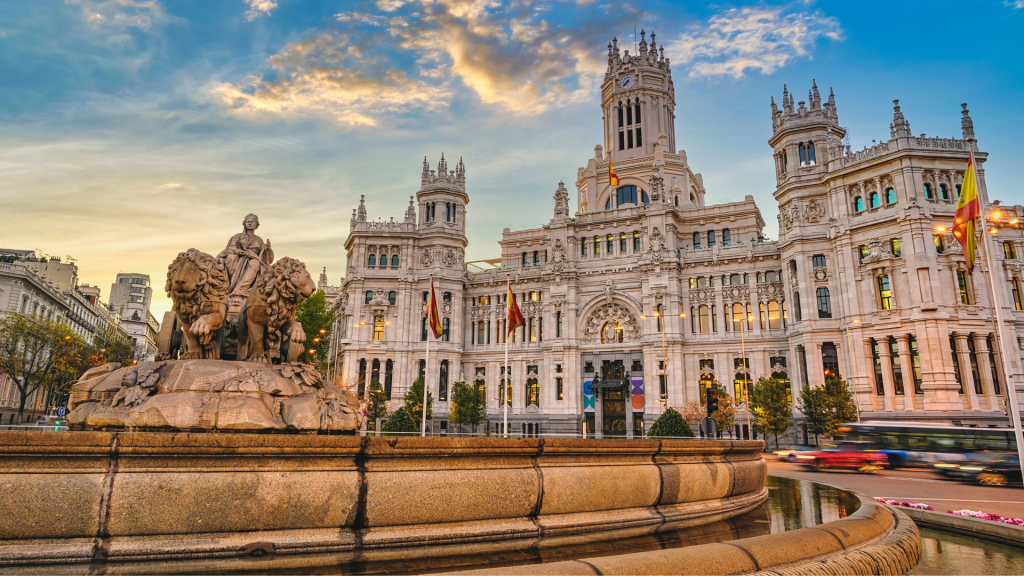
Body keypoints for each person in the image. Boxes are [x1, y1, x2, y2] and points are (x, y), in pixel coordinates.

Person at [218, 214, 273, 298]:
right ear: (245, 223)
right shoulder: (237, 236)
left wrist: (267, 249)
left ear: (256, 224)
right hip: (238, 255)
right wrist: (240, 251)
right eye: (248, 221)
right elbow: (231, 247)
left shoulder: (259, 240)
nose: (250, 223)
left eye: (252, 222)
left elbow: (264, 256)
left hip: (253, 257)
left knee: (255, 263)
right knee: (231, 258)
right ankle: (230, 285)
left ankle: (239, 288)